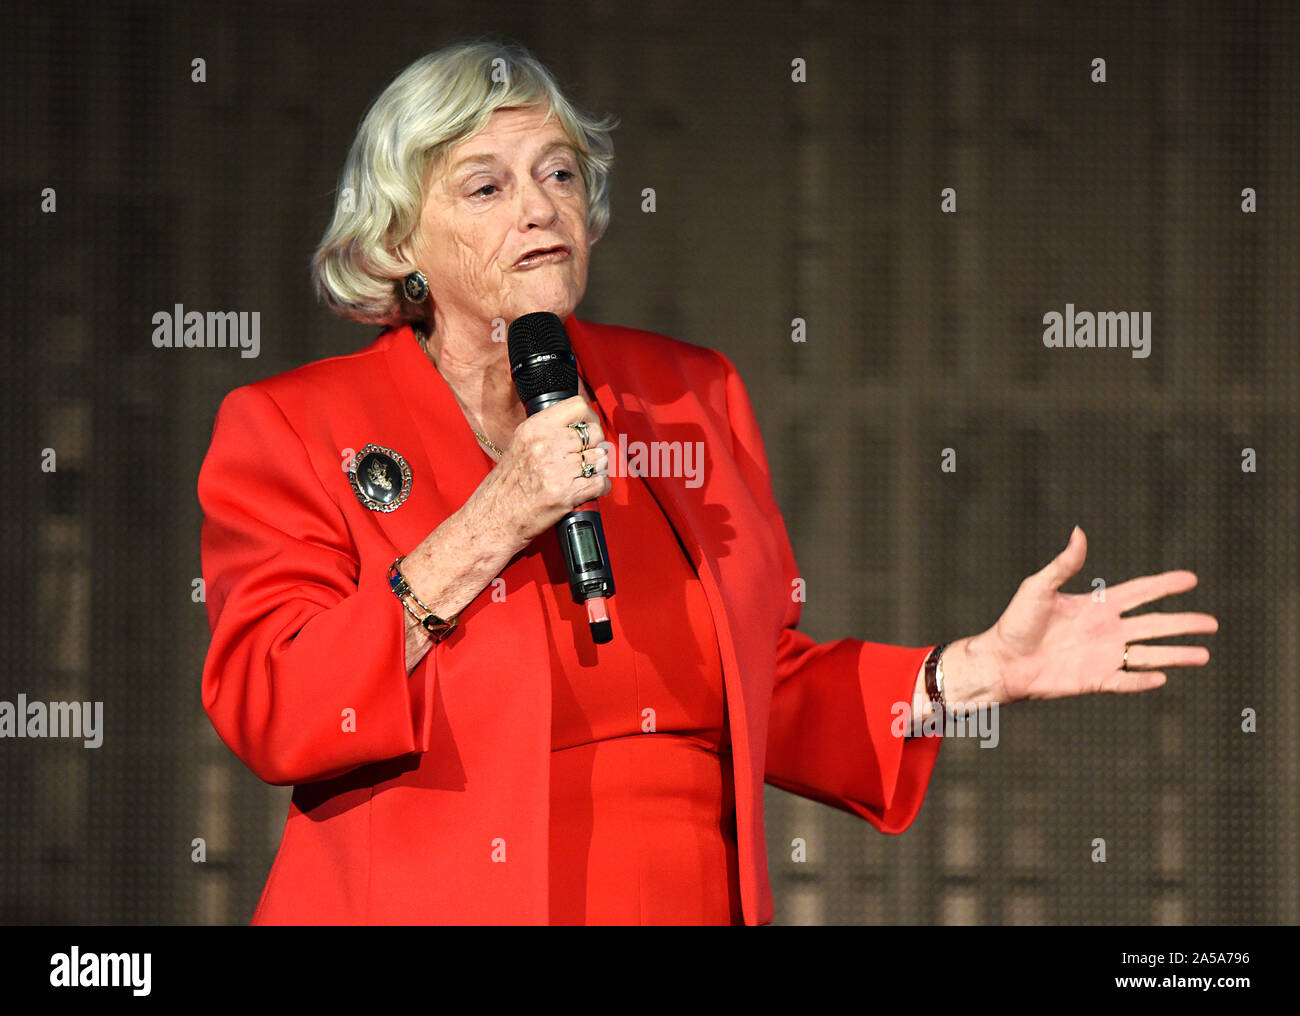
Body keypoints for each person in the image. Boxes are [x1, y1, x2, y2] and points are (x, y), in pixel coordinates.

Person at [197, 39, 1218, 925]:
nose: (541, 206)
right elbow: (276, 706)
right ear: (397, 241)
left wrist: (970, 672)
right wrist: (495, 516)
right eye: (485, 185)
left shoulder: (687, 392)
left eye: (559, 173)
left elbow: (760, 681)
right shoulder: (296, 424)